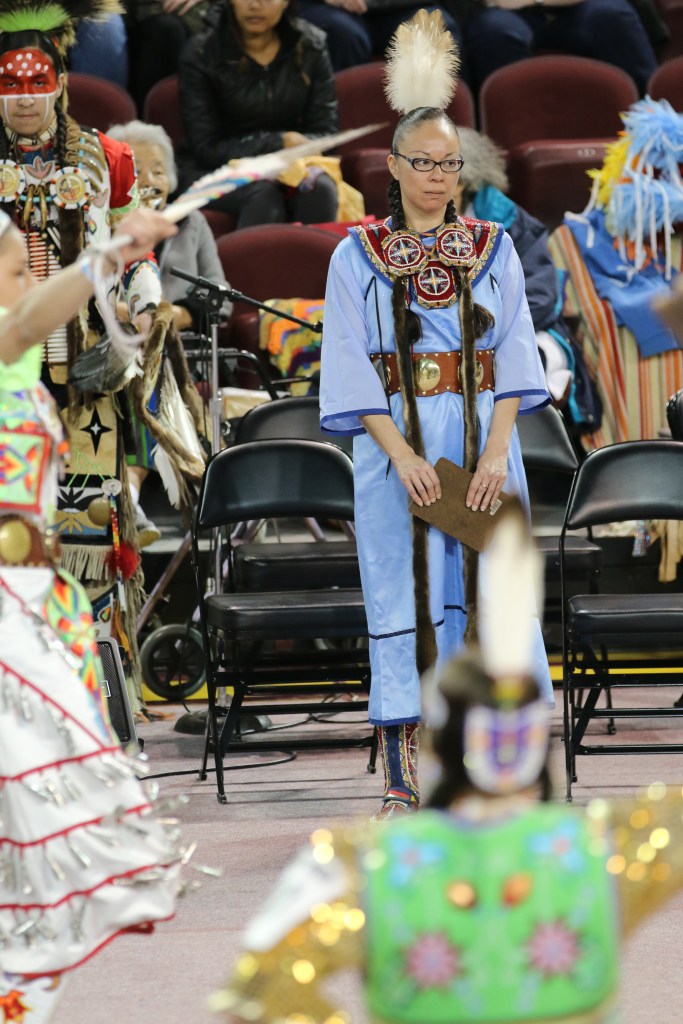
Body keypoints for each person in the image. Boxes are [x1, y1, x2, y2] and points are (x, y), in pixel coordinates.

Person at [210, 512, 683, 1024]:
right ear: (538, 746)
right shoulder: (609, 848)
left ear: (434, 748)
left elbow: (255, 995)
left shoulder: (361, 867)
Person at [319, 11, 552, 817]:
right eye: (422, 163)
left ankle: (499, 767)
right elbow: (348, 366)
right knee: (405, 597)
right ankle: (402, 770)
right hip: (398, 452)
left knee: (494, 595)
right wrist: (403, 455)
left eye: (449, 164)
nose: (436, 177)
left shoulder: (492, 247)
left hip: (482, 444)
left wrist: (494, 455)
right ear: (393, 165)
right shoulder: (355, 256)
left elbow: (516, 351)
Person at [0, 205, 187, 1024]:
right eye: (13, 271)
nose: (28, 286)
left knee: (33, 825)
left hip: (32, 608)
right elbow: (31, 322)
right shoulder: (9, 346)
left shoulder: (20, 372)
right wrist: (108, 253)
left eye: (29, 268)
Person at [0, 0, 173, 717]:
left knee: (86, 541)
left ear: (62, 83)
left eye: (37, 81)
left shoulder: (108, 159)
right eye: (9, 84)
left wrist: (141, 304)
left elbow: (137, 262)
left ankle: (97, 708)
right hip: (10, 384)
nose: (24, 97)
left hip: (88, 384)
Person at [454, 126, 601, 431]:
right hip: (437, 342)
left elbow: (541, 297)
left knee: (528, 365)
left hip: (517, 331)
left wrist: (482, 329)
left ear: (467, 181)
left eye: (447, 168)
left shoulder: (512, 224)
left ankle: (530, 464)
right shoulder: (402, 231)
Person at [178, 0, 340, 228]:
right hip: (213, 168)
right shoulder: (202, 52)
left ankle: (315, 263)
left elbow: (327, 133)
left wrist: (295, 150)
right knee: (263, 195)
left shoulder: (311, 45)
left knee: (320, 189)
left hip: (289, 164)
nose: (255, 5)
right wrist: (279, 142)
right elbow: (205, 147)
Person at [465, 0, 657, 95]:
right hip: (502, 11)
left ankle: (655, 120)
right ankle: (511, 136)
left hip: (575, 6)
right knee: (496, 31)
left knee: (614, 17)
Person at [296, 0, 467, 77]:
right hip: (326, 7)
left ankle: (433, 140)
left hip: (401, 6)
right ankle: (336, 137)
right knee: (343, 35)